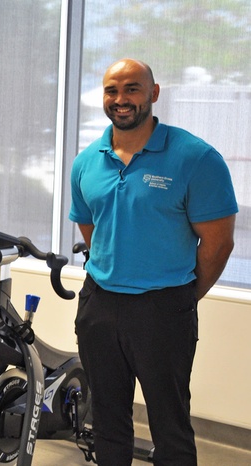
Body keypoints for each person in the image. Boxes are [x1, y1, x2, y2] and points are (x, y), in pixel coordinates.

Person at [70, 58, 237, 466]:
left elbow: (218, 244)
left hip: (163, 308)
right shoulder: (87, 161)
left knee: (170, 425)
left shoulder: (195, 158)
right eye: (112, 90)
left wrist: (180, 296)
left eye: (132, 88)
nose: (121, 99)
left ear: (154, 93)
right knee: (106, 421)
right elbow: (93, 230)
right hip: (100, 304)